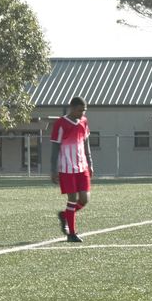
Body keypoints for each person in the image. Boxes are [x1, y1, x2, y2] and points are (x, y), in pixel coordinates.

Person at [50, 96, 94, 242]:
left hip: (82, 167)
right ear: (73, 108)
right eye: (80, 110)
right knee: (73, 199)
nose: (82, 113)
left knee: (84, 199)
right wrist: (53, 169)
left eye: (84, 110)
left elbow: (86, 142)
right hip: (66, 168)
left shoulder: (84, 121)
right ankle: (72, 234)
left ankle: (65, 216)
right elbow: (55, 148)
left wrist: (90, 162)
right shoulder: (60, 123)